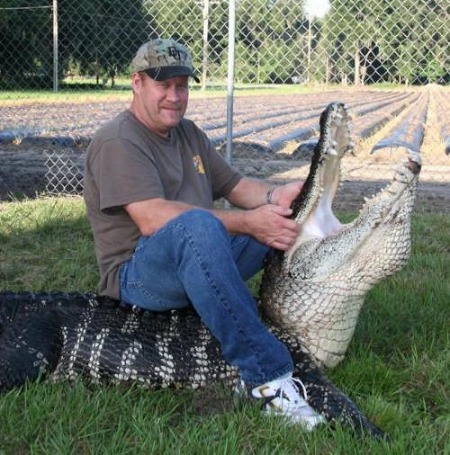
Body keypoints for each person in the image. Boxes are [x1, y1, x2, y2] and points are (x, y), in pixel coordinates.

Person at [83, 38, 325, 430]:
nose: (175, 97)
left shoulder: (189, 134)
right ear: (137, 83)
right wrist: (248, 222)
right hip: (138, 276)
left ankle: (306, 315)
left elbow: (236, 187)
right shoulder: (118, 140)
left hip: (197, 251)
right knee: (200, 226)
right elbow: (152, 219)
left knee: (284, 219)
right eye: (164, 85)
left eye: (183, 86)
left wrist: (278, 196)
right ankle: (267, 379)